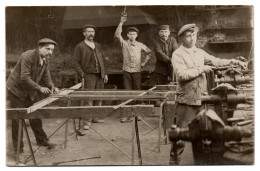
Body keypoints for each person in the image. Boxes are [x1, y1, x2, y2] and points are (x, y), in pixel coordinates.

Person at [170, 24, 247, 164]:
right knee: (180, 137)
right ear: (181, 38)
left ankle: (204, 162)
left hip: (202, 98)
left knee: (204, 131)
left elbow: (216, 61)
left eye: (194, 35)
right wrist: (201, 69)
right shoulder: (177, 54)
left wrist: (233, 61)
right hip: (186, 100)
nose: (192, 38)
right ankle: (173, 163)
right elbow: (181, 75)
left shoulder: (199, 52)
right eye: (188, 36)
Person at [7, 38, 59, 154]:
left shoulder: (45, 59)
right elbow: (24, 78)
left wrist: (52, 87)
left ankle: (42, 140)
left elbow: (46, 76)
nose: (50, 52)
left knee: (35, 113)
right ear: (39, 47)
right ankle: (18, 149)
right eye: (48, 49)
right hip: (16, 90)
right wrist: (40, 88)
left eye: (52, 50)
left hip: (30, 90)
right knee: (18, 117)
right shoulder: (28, 56)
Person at [115, 15, 152, 122]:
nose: (132, 35)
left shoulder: (140, 45)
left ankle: (138, 114)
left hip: (137, 71)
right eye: (130, 34)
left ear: (137, 35)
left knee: (137, 91)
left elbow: (149, 53)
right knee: (127, 92)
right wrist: (121, 22)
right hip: (126, 70)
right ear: (127, 35)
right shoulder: (124, 43)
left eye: (134, 34)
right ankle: (127, 115)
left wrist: (144, 63)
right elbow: (117, 35)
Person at [73, 24, 108, 128]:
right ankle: (86, 121)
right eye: (88, 32)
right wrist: (82, 74)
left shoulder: (98, 45)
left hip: (100, 75)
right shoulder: (80, 46)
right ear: (84, 33)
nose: (91, 34)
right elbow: (75, 62)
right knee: (88, 98)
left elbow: (103, 60)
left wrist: (105, 73)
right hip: (88, 75)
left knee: (99, 96)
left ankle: (95, 117)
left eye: (92, 32)